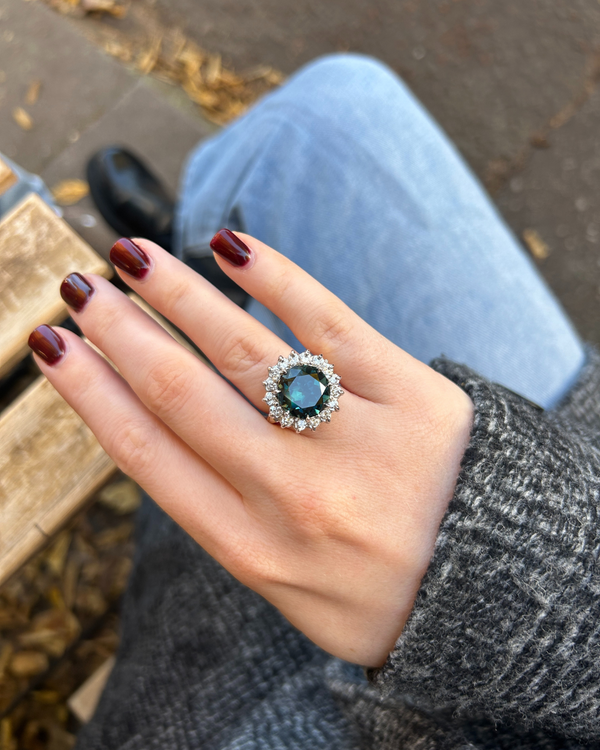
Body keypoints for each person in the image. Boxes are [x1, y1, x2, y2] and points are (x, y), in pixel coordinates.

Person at [26, 55, 599, 749]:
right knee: (325, 122)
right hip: (572, 515)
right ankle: (208, 272)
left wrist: (473, 615)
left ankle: (218, 307)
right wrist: (535, 571)